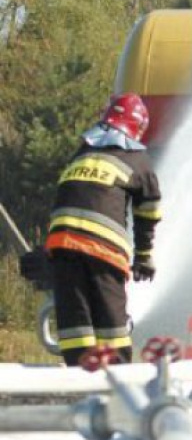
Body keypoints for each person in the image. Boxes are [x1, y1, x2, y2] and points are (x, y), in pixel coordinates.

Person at [42, 93, 161, 366]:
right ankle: (117, 384)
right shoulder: (137, 159)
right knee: (113, 328)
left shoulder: (83, 151)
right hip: (102, 250)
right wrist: (144, 256)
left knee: (75, 327)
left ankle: (79, 383)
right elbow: (148, 211)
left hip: (61, 245)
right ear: (137, 127)